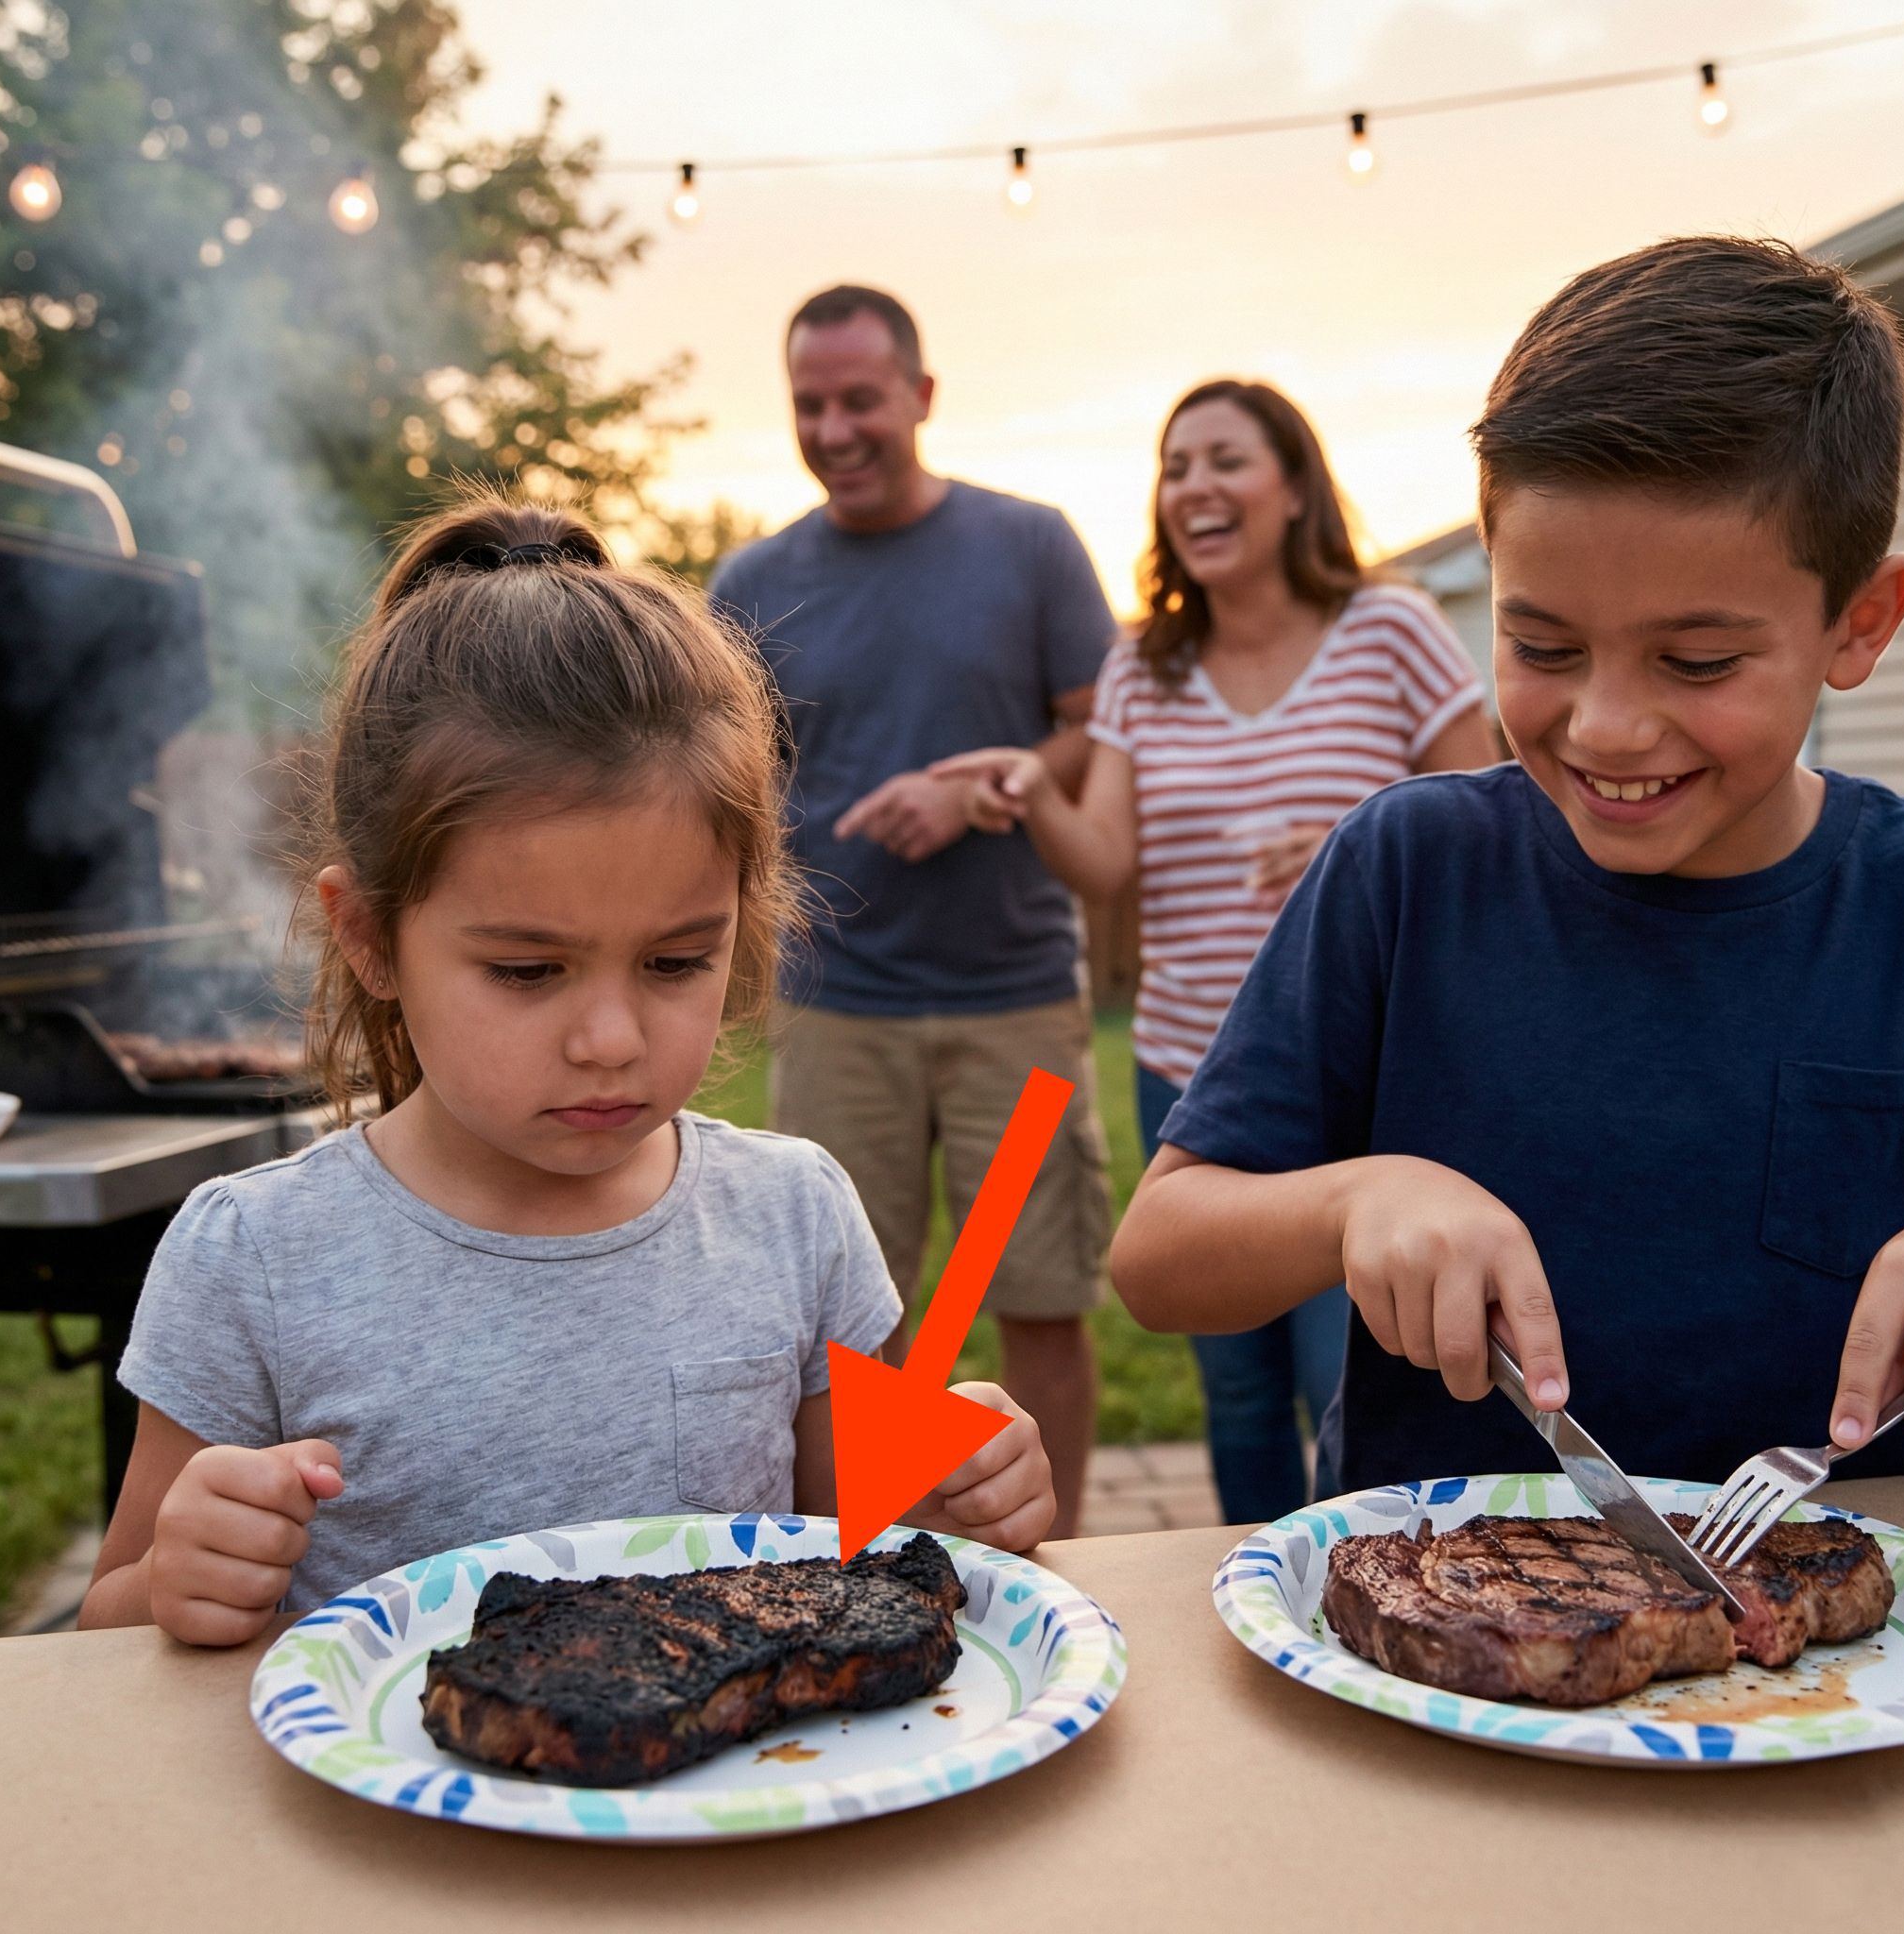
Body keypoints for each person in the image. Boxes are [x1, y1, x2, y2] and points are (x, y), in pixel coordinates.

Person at [76, 499, 1054, 1643]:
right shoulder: (253, 1260)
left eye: (675, 960)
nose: (610, 1038)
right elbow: (107, 1628)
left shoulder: (794, 1216)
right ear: (369, 937)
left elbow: (863, 1546)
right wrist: (175, 1581)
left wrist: (964, 1492)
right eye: (530, 969)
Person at [1111, 236, 1904, 1494]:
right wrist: (1353, 1202)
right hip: (1436, 1640)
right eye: (1541, 644)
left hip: (1857, 1673)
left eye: (1698, 662)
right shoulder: (1410, 871)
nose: (1605, 725)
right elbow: (1159, 1256)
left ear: (1859, 624)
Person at [935, 380, 1492, 1522]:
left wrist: (1357, 840)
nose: (1194, 487)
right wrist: (1039, 790)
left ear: (1292, 487)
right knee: (1235, 1394)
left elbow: (1486, 819)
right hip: (1190, 1074)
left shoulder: (1387, 629)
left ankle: (1364, 1582)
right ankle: (1245, 1600)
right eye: (1175, 468)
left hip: (1358, 1084)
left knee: (1344, 1378)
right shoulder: (1146, 665)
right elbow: (1102, 864)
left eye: (1224, 460)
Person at [709, 285, 1116, 1537]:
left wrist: (982, 786)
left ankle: (1046, 1559)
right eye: (809, 405)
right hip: (843, 1011)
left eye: (859, 400)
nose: (834, 429)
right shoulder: (754, 580)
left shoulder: (1033, 545)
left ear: (921, 397)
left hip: (1015, 1002)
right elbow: (726, 779)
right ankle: (876, 1560)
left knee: (1036, 1295)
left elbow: (1094, 733)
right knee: (856, 1332)